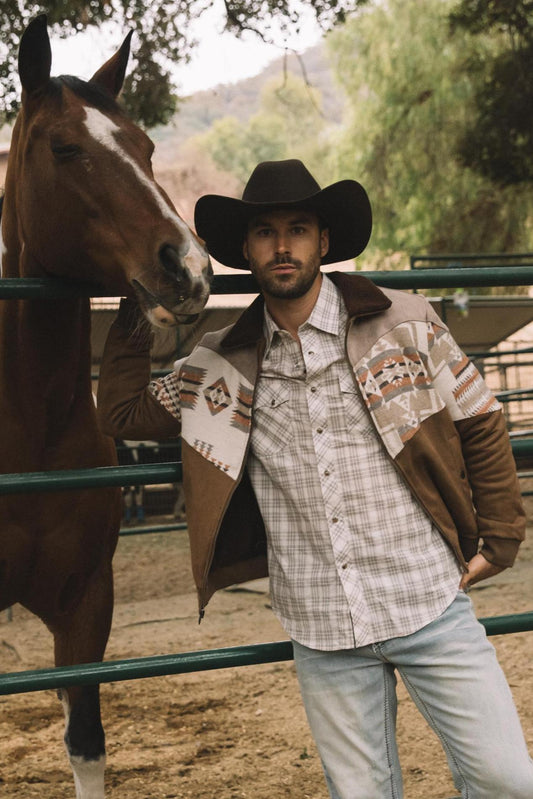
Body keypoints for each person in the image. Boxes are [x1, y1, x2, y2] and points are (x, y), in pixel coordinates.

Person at [97, 159, 533, 798]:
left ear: (323, 242)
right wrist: (139, 297)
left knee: (509, 780)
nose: (282, 246)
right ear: (246, 250)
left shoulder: (404, 322)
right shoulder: (220, 364)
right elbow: (121, 414)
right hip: (322, 625)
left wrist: (502, 536)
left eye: (297, 229)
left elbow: (480, 417)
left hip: (427, 600)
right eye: (265, 232)